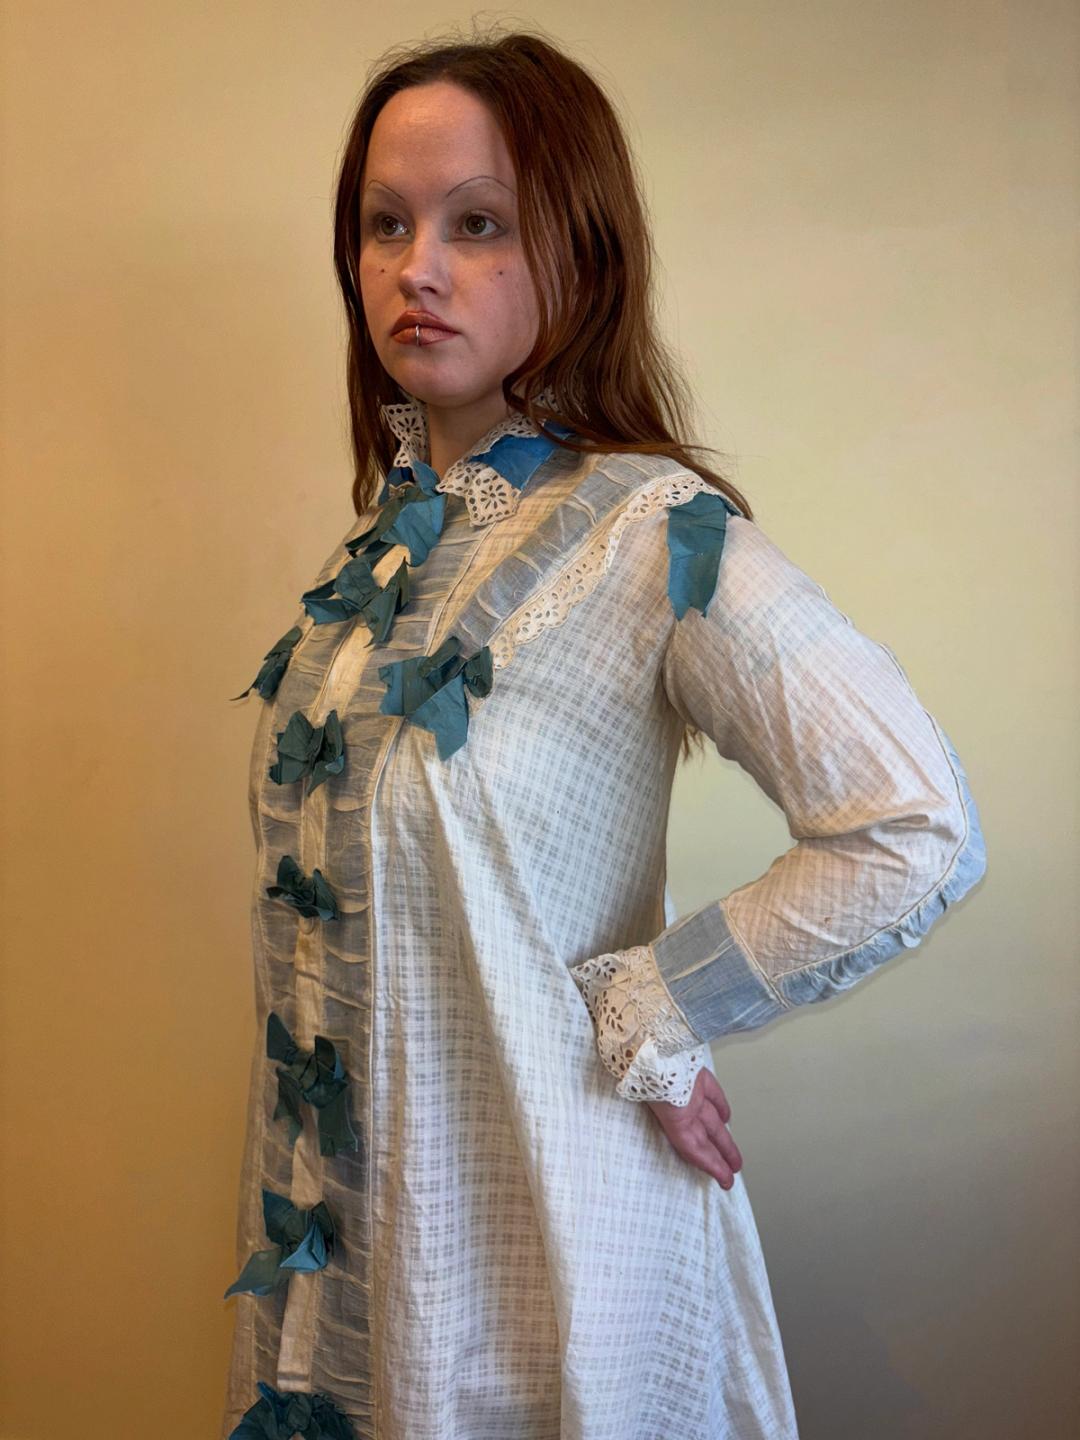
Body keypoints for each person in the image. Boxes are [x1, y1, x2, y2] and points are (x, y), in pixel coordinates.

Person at [220, 25, 988, 1440]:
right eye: (384, 224)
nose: (416, 268)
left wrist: (661, 1004)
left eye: (478, 224)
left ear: (580, 250)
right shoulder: (370, 572)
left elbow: (911, 821)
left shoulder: (647, 538)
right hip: (364, 1260)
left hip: (554, 1254)